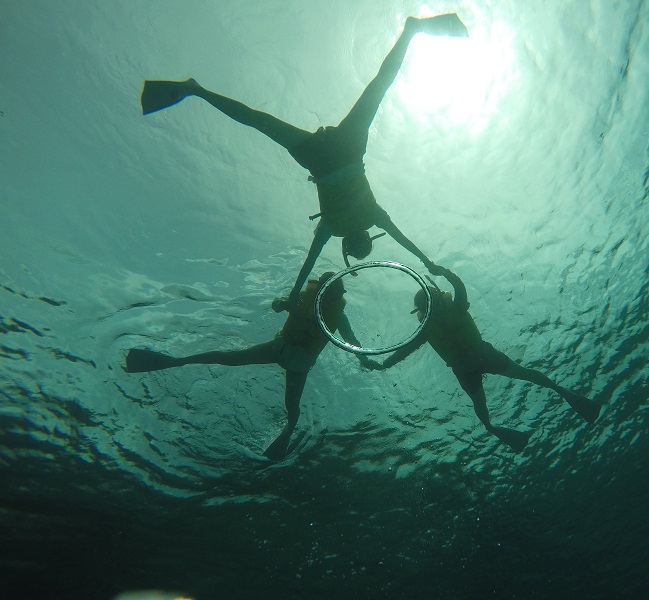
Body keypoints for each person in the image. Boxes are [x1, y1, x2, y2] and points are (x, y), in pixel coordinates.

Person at [139, 14, 468, 308]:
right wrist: (427, 262)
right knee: (262, 120)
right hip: (331, 157)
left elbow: (386, 243)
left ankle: (410, 31)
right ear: (352, 245)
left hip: (338, 154)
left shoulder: (364, 221)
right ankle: (196, 90)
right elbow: (319, 260)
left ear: (362, 241)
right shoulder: (347, 225)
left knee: (375, 88)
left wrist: (427, 261)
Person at [124, 272, 370, 460]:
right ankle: (176, 361)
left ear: (339, 294)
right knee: (231, 357)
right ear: (320, 290)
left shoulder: (339, 317)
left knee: (292, 409)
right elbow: (276, 304)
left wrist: (364, 358)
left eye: (335, 294)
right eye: (327, 293)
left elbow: (351, 340)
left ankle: (287, 432)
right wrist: (282, 304)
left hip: (299, 364)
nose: (329, 299)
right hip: (280, 347)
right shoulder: (303, 299)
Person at [367, 265, 601, 452]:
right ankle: (492, 428)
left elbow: (458, 286)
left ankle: (563, 393)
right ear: (423, 311)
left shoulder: (456, 306)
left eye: (434, 303)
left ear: (437, 298)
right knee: (483, 403)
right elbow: (405, 350)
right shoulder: (429, 328)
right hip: (468, 367)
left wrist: (444, 272)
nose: (434, 310)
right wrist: (383, 364)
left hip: (481, 357)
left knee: (523, 375)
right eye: (429, 308)